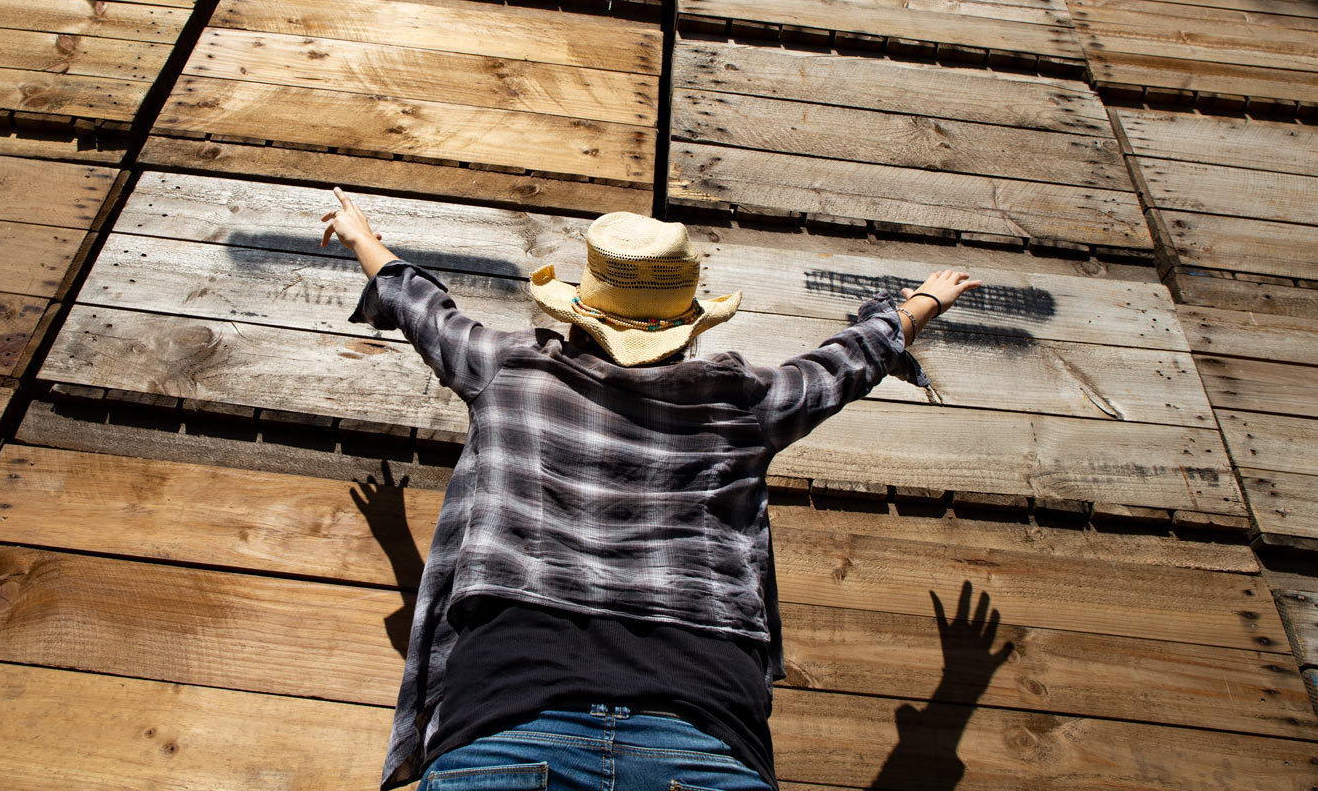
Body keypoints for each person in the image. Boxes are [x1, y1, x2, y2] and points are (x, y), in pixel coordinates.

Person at [321, 187, 981, 791]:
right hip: (702, 730)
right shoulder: (742, 402)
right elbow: (846, 363)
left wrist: (359, 235)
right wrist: (922, 302)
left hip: (507, 717)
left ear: (582, 309)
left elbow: (424, 309)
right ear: (686, 323)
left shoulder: (509, 368)